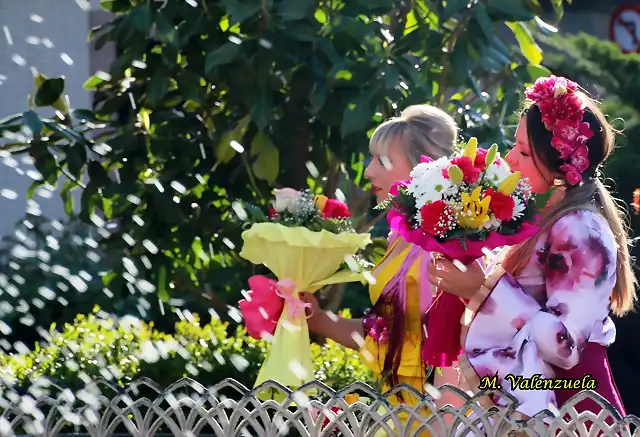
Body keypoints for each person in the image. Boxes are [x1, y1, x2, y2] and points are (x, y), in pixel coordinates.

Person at [427, 76, 637, 424]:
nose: (510, 158)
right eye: (516, 145)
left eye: (524, 151)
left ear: (560, 163)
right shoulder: (555, 217)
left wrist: (480, 289)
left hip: (570, 405)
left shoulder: (581, 228)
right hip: (539, 400)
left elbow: (565, 346)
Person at [300, 105, 464, 433]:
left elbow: (455, 345)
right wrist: (316, 318)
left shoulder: (450, 239)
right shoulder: (402, 236)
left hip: (441, 418)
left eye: (383, 161)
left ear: (424, 165)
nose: (369, 173)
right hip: (400, 414)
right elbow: (386, 335)